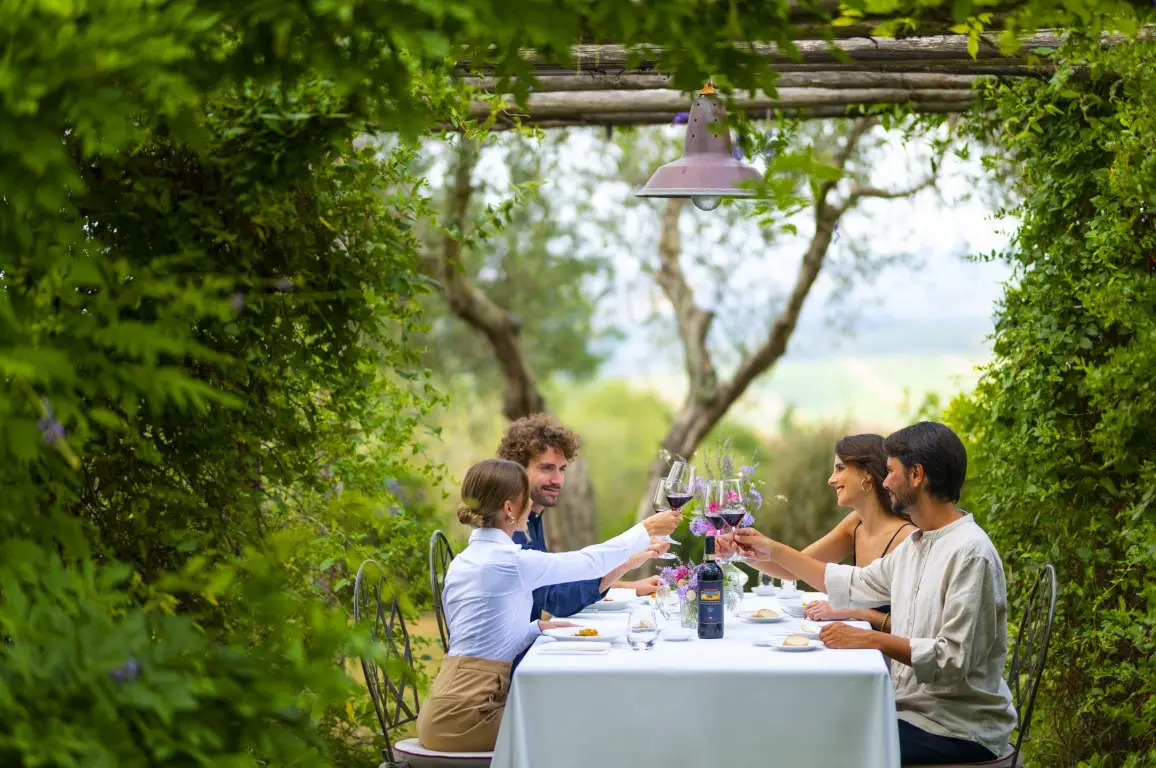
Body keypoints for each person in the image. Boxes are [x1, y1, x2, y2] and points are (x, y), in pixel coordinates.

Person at [733, 422, 1016, 765]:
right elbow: (850, 582)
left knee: (821, 746)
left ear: (917, 475)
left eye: (891, 471)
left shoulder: (970, 552)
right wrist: (769, 550)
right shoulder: (917, 545)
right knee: (804, 723)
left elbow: (951, 660)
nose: (884, 481)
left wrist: (869, 639)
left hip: (955, 727)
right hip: (910, 708)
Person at [416, 458, 671, 753]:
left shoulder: (468, 560)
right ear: (510, 509)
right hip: (468, 718)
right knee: (589, 727)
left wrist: (534, 628)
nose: (531, 509)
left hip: (445, 710)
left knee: (576, 715)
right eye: (527, 500)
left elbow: (475, 638)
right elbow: (587, 563)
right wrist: (644, 530)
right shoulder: (508, 561)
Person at [497, 413, 677, 621]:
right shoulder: (510, 526)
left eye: (562, 469)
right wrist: (640, 538)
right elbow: (556, 600)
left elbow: (551, 584)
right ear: (517, 469)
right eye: (547, 468)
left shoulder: (532, 518)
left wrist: (629, 585)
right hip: (511, 653)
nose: (558, 480)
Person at [735, 434, 915, 634]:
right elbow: (794, 569)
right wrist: (744, 551)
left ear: (867, 473)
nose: (831, 480)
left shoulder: (907, 539)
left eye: (840, 468)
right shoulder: (855, 524)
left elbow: (914, 628)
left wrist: (853, 611)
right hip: (857, 647)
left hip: (889, 661)